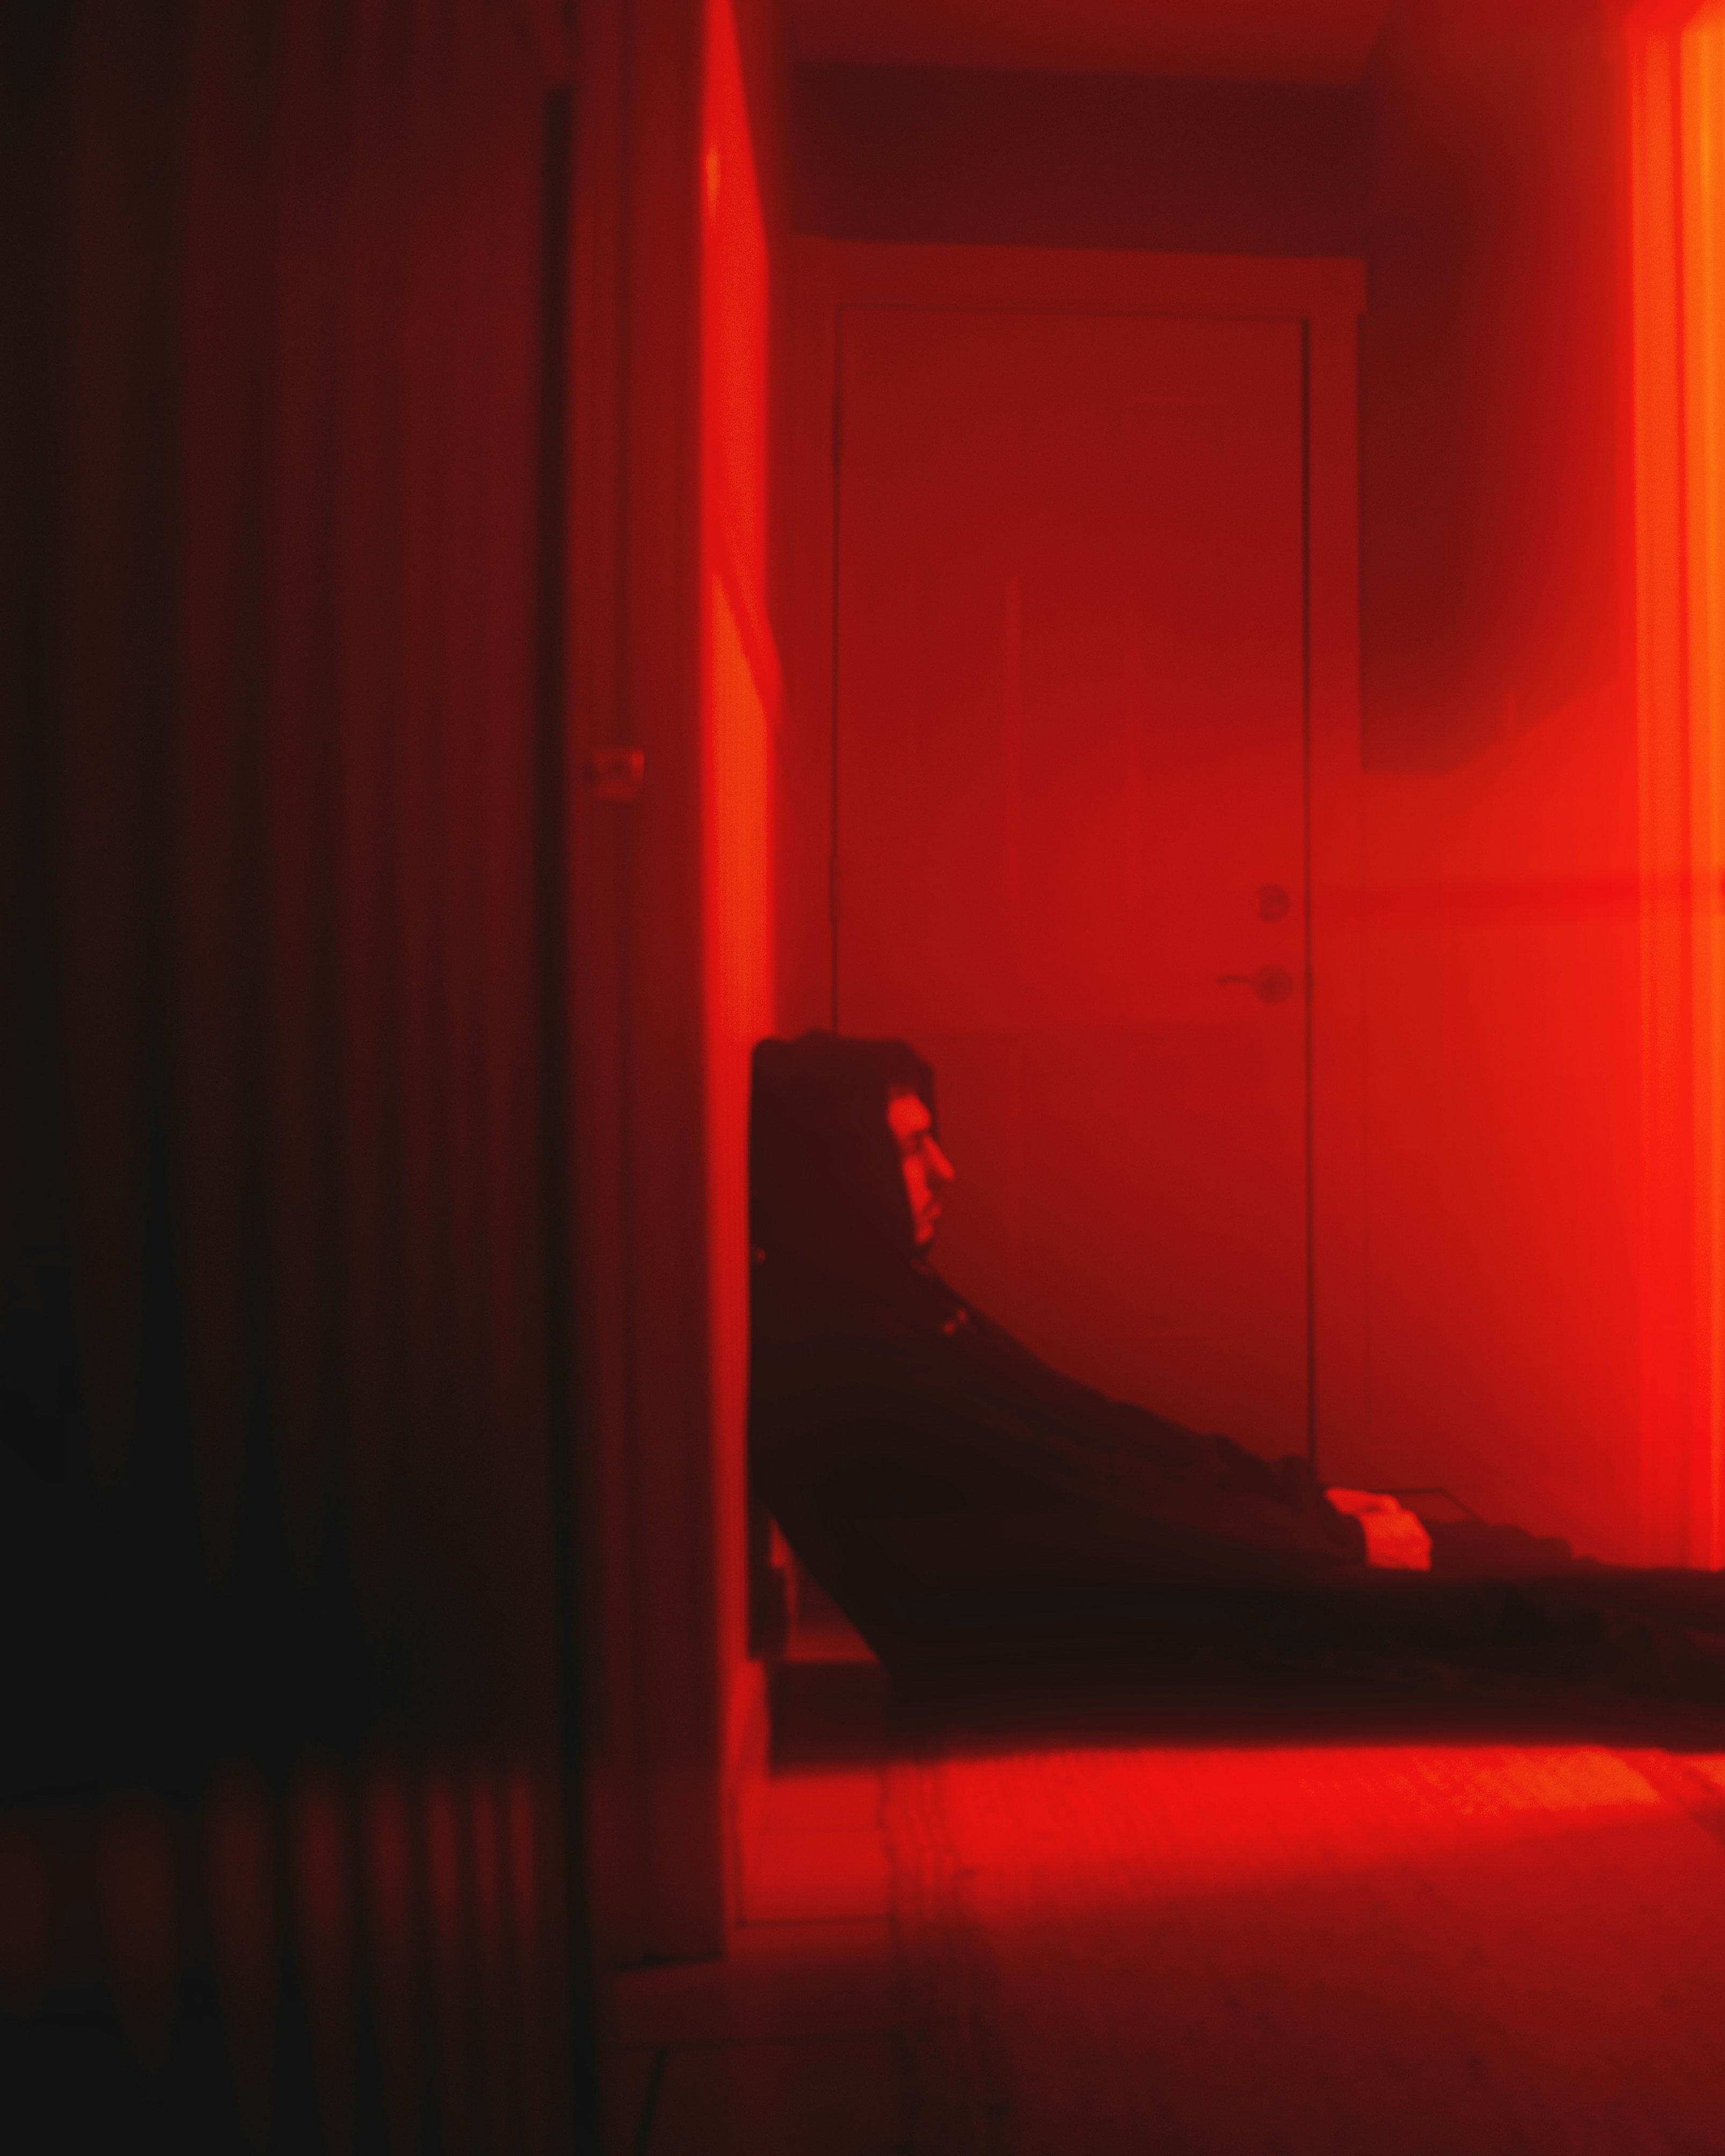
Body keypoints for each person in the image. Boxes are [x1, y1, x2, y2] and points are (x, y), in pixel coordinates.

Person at [748, 1029, 1720, 1694]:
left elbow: (1093, 1428)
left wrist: (1305, 1500)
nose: (947, 1169)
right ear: (838, 1173)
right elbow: (1095, 1508)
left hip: (1164, 1579)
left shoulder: (893, 1299)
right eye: (912, 1149)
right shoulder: (844, 1357)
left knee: (1514, 1558)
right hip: (1121, 1632)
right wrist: (1326, 1544)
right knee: (1506, 1617)